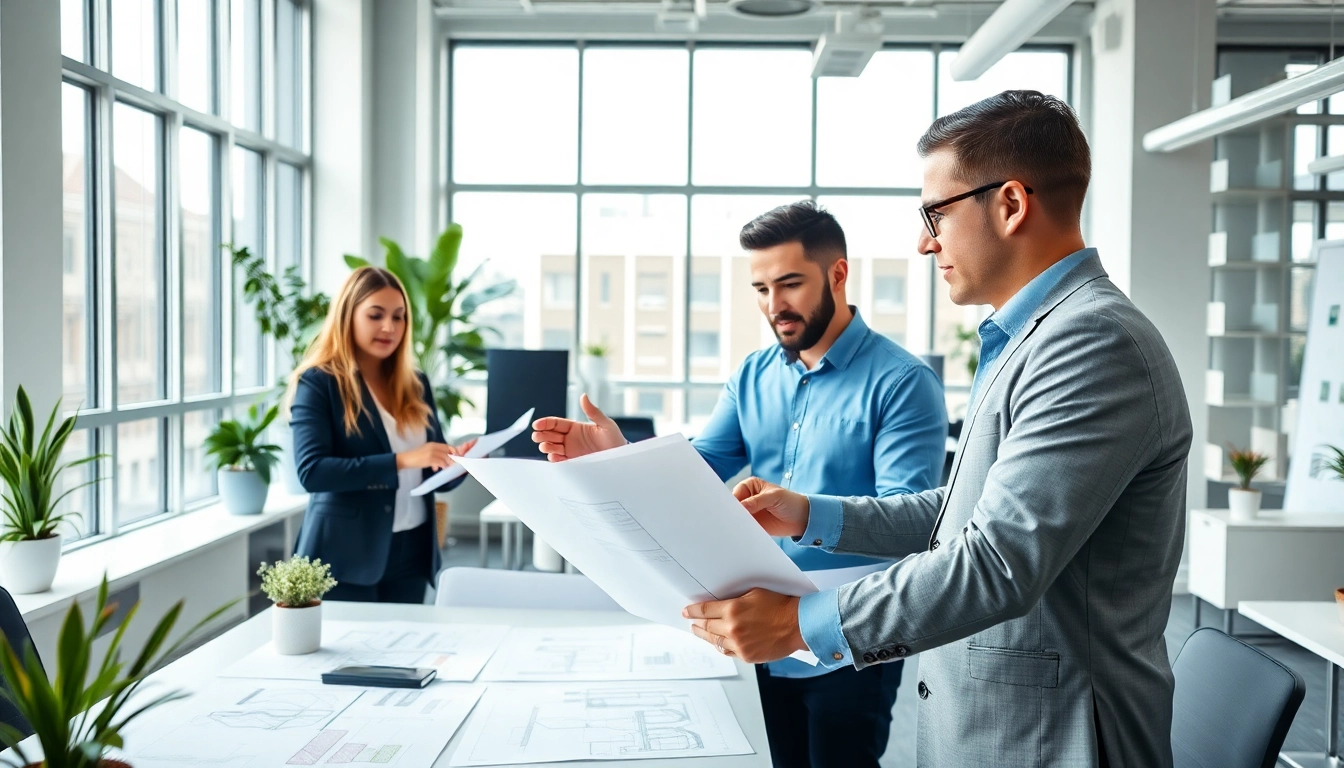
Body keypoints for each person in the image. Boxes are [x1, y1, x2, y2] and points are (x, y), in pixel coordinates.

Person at [682, 90, 1193, 767]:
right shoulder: (1029, 337)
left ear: (1010, 204)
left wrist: (797, 623)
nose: (926, 242)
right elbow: (966, 516)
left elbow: (998, 561)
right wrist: (810, 513)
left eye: (937, 214)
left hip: (1054, 736)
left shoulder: (1092, 343)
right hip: (992, 723)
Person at [531, 201, 947, 768]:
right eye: (760, 288)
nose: (774, 305)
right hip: (752, 629)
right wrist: (617, 455)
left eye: (790, 283)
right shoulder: (752, 375)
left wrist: (803, 510)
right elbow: (695, 472)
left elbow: (909, 517)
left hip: (846, 635)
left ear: (838, 274)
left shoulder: (902, 382)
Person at [288, 266, 475, 603]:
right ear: (348, 316)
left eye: (399, 317)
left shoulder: (415, 383)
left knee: (404, 653)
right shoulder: (319, 383)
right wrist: (404, 460)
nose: (390, 327)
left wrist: (463, 463)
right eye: (376, 315)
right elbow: (312, 472)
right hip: (345, 553)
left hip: (412, 551)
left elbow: (432, 475)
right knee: (350, 656)